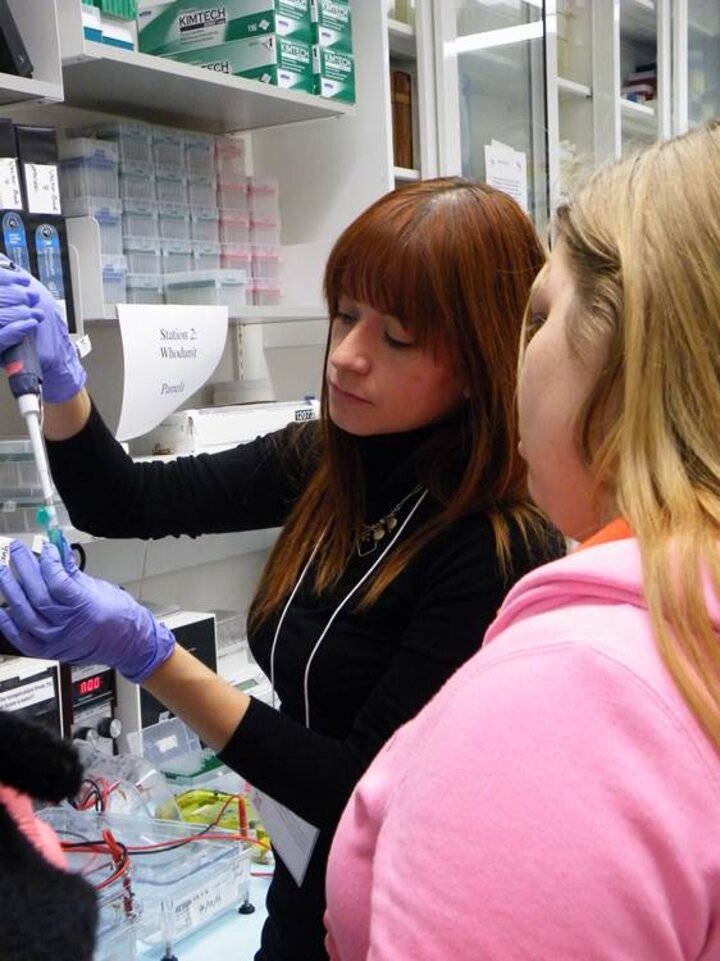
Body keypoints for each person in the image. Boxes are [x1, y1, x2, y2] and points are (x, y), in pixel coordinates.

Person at [0, 178, 562, 961]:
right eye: (345, 314)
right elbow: (122, 501)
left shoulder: (495, 547)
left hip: (400, 913)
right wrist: (64, 384)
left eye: (397, 338)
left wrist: (149, 653)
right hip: (303, 889)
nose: (348, 356)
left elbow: (352, 784)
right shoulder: (327, 462)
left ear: (477, 363)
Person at [320, 121, 720, 959]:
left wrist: (153, 660)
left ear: (630, 353)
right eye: (342, 316)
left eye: (537, 316)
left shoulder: (579, 694)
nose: (519, 360)